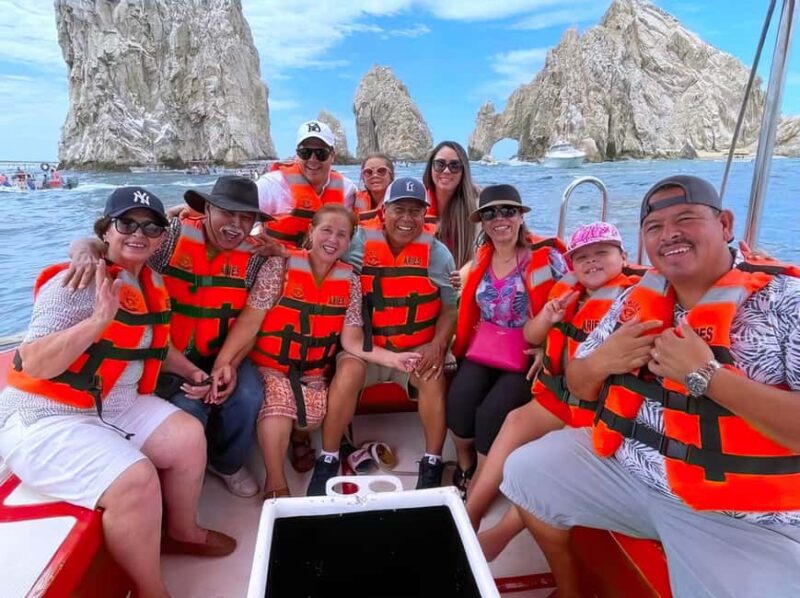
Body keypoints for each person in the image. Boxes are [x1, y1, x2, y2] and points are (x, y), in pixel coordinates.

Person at [501, 175, 800, 597]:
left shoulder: (787, 303)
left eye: (686, 219)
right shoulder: (634, 301)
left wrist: (706, 377)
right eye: (655, 227)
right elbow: (579, 383)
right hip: (631, 472)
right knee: (523, 472)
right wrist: (603, 360)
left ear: (726, 225)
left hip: (737, 514)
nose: (669, 234)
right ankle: (571, 590)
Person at [0, 187, 236, 598]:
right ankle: (150, 590)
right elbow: (33, 363)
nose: (138, 234)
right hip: (47, 414)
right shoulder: (73, 281)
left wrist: (195, 371)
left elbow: (152, 346)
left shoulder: (149, 281)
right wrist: (96, 321)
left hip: (114, 403)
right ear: (106, 231)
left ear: (163, 237)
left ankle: (180, 531)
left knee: (186, 436)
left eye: (151, 226)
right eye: (127, 223)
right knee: (136, 480)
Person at [66, 176, 268, 498]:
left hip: (223, 351)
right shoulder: (171, 237)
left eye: (246, 217)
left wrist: (226, 363)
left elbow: (251, 320)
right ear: (208, 209)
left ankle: (226, 464)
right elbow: (111, 246)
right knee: (189, 408)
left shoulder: (259, 257)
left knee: (247, 396)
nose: (236, 224)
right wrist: (82, 251)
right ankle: (185, 470)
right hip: (166, 353)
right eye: (227, 213)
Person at [210, 204, 419, 497]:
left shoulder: (351, 282)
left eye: (342, 235)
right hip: (270, 367)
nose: (333, 240)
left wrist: (395, 359)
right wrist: (224, 361)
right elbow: (249, 322)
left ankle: (300, 436)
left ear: (349, 242)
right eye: (326, 231)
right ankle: (276, 484)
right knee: (278, 410)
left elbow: (353, 343)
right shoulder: (278, 267)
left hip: (312, 371)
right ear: (311, 232)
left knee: (311, 420)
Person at [466, 221, 643, 560]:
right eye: (582, 257)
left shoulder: (634, 297)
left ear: (624, 257)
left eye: (602, 253)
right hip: (557, 396)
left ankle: (500, 534)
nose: (591, 262)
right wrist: (547, 317)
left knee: (544, 461)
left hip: (596, 412)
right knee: (514, 421)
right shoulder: (566, 291)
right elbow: (531, 336)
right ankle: (470, 513)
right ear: (572, 264)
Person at [309, 177, 459, 492]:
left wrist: (437, 344)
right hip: (366, 348)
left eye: (415, 212)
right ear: (384, 210)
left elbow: (449, 309)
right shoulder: (358, 244)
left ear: (424, 215)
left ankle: (431, 462)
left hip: (416, 349)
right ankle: (328, 458)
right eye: (399, 209)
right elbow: (319, 259)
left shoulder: (438, 254)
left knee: (433, 378)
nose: (407, 218)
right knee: (347, 372)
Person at [447, 184, 567, 498]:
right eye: (490, 213)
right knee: (458, 403)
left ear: (520, 217)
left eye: (508, 211)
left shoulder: (546, 257)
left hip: (529, 352)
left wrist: (548, 347)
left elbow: (571, 303)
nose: (499, 219)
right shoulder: (481, 258)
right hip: (487, 347)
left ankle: (482, 483)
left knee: (490, 414)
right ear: (482, 222)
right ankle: (465, 464)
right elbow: (467, 286)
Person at [256, 120, 358, 249]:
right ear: (297, 155)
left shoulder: (347, 190)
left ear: (332, 156)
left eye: (321, 153)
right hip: (277, 262)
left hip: (325, 264)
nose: (313, 159)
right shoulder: (270, 186)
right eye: (305, 153)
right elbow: (242, 222)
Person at [421, 141, 479, 270]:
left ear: (464, 171)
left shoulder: (477, 206)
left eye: (455, 166)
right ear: (430, 167)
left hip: (461, 279)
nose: (446, 171)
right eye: (440, 164)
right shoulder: (416, 203)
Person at [354, 153, 394, 226]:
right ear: (363, 178)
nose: (375, 175)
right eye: (368, 172)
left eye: (381, 171)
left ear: (391, 175)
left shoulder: (399, 199)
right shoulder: (354, 198)